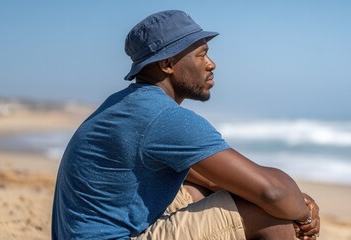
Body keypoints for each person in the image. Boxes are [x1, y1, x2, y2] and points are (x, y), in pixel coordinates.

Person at [51, 10, 321, 240]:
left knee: (199, 190)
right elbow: (272, 191)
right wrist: (304, 213)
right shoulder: (164, 117)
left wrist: (285, 198)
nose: (212, 64)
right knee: (269, 213)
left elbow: (204, 175)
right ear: (168, 64)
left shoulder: (127, 104)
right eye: (202, 55)